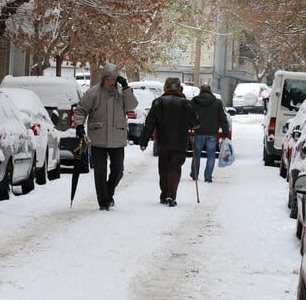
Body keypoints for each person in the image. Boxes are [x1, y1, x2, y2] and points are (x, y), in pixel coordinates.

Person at [74, 63, 138, 211]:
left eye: (113, 79)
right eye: (107, 79)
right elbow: (81, 110)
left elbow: (131, 106)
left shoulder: (121, 93)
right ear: (103, 79)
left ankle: (108, 192)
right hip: (98, 137)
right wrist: (79, 125)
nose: (110, 82)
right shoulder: (93, 93)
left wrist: (127, 88)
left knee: (118, 170)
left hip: (117, 137)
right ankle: (103, 201)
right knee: (100, 172)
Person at [139, 77, 200, 207]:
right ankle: (171, 195)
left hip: (163, 142)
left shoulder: (158, 102)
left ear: (165, 88)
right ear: (179, 88)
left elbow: (149, 124)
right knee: (175, 168)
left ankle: (164, 194)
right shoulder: (186, 103)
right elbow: (196, 123)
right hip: (180, 142)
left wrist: (144, 141)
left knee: (163, 168)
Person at [189, 84, 230, 183]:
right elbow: (223, 118)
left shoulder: (194, 101)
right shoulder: (217, 103)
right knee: (211, 155)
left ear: (200, 91)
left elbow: (189, 115)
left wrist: (190, 125)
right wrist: (225, 132)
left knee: (197, 154)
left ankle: (195, 174)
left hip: (198, 132)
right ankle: (208, 176)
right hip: (212, 133)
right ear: (210, 91)